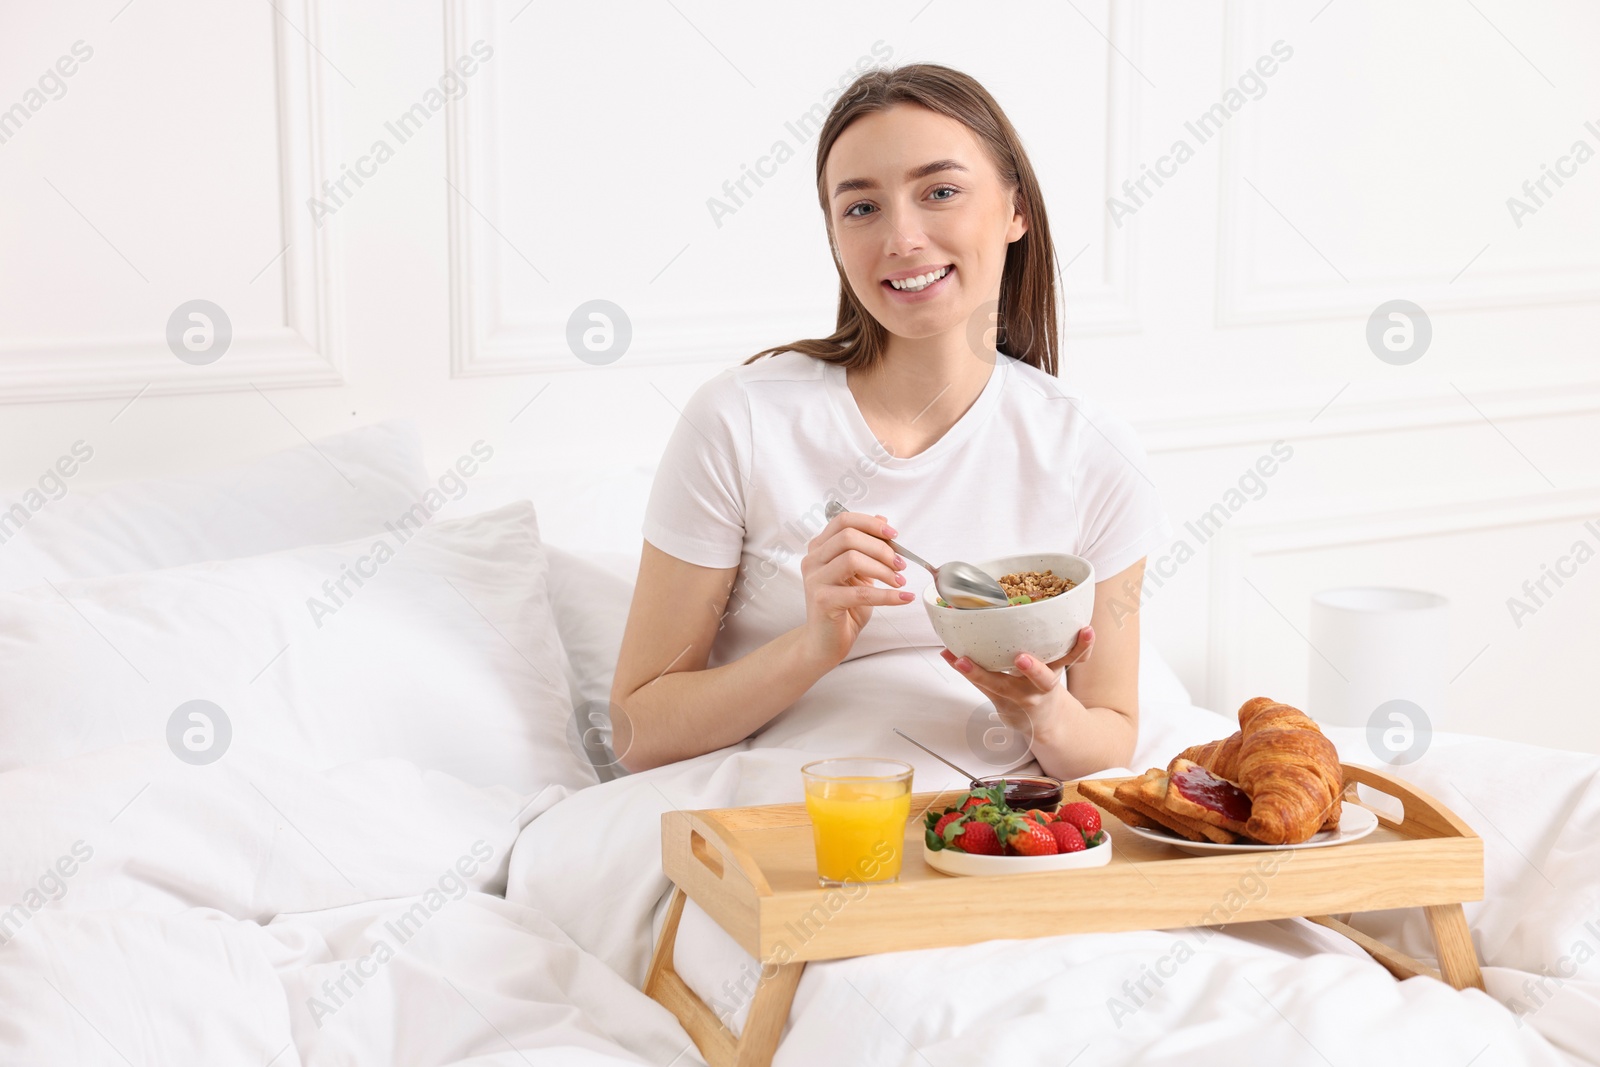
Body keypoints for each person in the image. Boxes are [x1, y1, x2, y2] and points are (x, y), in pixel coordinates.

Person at [612, 63, 1173, 779]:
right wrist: (813, 646)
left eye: (940, 192)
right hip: (790, 806)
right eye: (861, 208)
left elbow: (1110, 735)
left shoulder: (1092, 450)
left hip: (997, 822)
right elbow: (636, 731)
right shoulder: (740, 419)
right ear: (835, 239)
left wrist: (1038, 707)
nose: (902, 238)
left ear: (1015, 211)